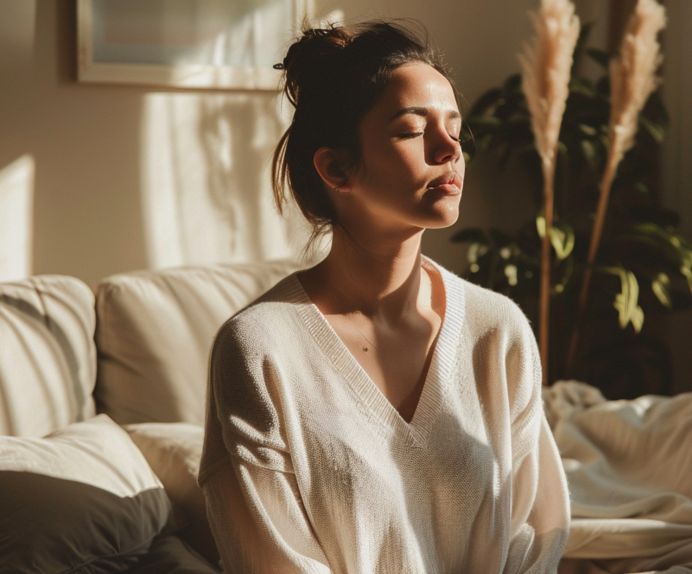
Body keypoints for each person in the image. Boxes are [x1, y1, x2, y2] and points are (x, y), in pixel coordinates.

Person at [198, 20, 570, 574]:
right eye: (411, 129)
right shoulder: (259, 348)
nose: (449, 150)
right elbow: (273, 560)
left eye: (454, 127)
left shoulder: (496, 331)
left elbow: (536, 537)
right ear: (337, 167)